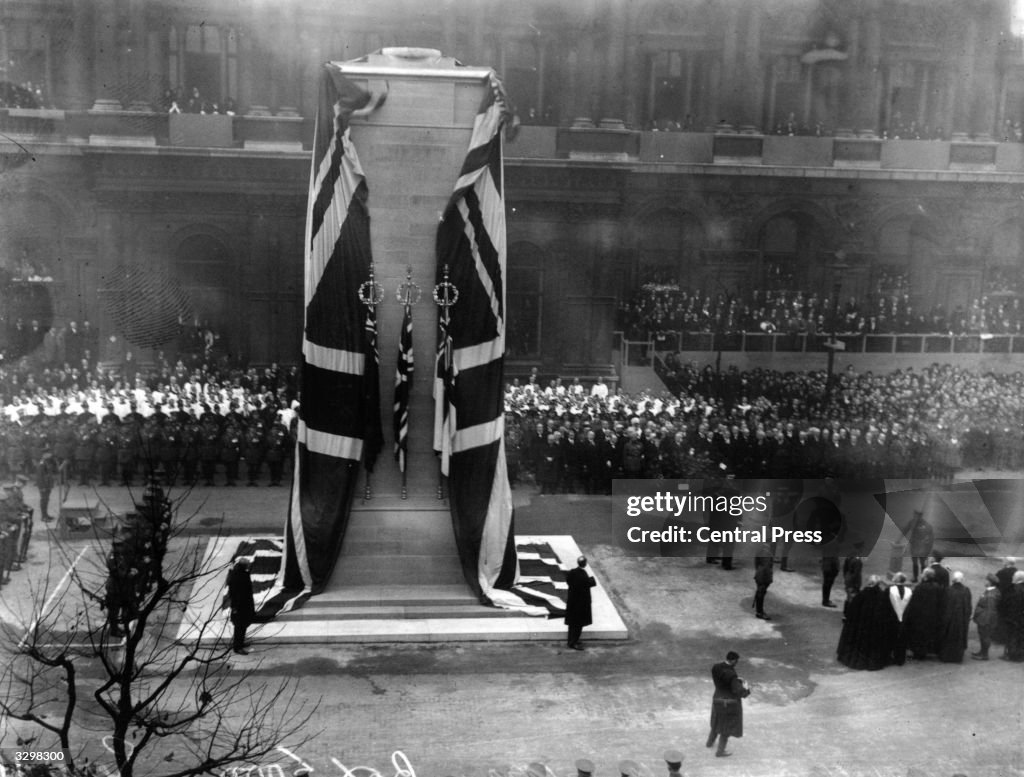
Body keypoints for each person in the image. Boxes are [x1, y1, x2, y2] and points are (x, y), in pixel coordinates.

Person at [837, 575, 897, 670]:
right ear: (878, 584)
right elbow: (886, 613)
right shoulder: (882, 596)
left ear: (869, 583)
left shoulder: (861, 595)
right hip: (875, 629)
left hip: (861, 628)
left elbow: (852, 612)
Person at [706, 650, 751, 758]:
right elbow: (739, 692)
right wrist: (746, 688)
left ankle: (709, 743)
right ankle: (720, 752)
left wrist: (736, 680)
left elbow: (723, 679)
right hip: (728, 703)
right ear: (734, 660)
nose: (737, 663)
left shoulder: (715, 667)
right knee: (726, 728)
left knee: (716, 722)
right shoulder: (732, 675)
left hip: (716, 698)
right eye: (737, 661)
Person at [938, 570, 972, 663]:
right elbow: (968, 606)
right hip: (961, 619)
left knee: (948, 637)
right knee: (959, 638)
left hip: (949, 619)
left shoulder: (948, 590)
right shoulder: (966, 590)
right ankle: (957, 657)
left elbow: (944, 605)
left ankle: (946, 656)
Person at [564, 555, 596, 651]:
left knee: (572, 625)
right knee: (578, 625)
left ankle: (571, 641)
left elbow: (570, 581)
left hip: (572, 603)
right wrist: (591, 580)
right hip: (580, 605)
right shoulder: (583, 575)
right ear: (585, 564)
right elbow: (589, 583)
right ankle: (573, 642)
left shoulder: (572, 572)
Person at [226, 557, 255, 655]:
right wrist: (235, 607)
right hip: (240, 605)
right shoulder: (238, 576)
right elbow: (234, 593)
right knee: (239, 626)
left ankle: (240, 643)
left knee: (243, 625)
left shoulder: (240, 574)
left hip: (244, 604)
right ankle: (237, 647)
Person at [971, 573, 1000, 660]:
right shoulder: (991, 591)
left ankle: (984, 654)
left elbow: (990, 610)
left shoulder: (991, 595)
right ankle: (982, 651)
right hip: (984, 618)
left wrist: (984, 622)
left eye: (986, 580)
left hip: (986, 620)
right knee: (983, 636)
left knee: (985, 637)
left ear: (990, 582)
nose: (985, 581)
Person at [888, 571, 913, 665]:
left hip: (892, 618)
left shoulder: (891, 590)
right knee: (902, 639)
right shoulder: (909, 591)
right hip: (905, 619)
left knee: (891, 637)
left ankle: (890, 656)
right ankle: (900, 659)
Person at [908, 512, 934, 582]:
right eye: (914, 515)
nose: (915, 517)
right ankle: (915, 578)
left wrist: (928, 549)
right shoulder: (912, 522)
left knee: (922, 563)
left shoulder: (926, 525)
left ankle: (923, 578)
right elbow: (905, 529)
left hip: (922, 548)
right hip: (914, 547)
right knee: (915, 563)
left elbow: (931, 538)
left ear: (920, 516)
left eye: (916, 516)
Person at [753, 546, 773, 620]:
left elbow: (756, 562)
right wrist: (768, 579)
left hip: (759, 573)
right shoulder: (766, 552)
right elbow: (766, 567)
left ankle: (759, 611)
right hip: (763, 575)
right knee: (761, 592)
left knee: (760, 592)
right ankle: (760, 612)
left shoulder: (761, 549)